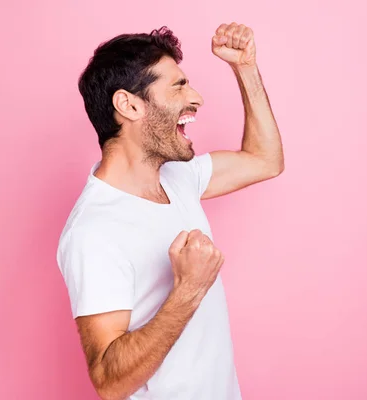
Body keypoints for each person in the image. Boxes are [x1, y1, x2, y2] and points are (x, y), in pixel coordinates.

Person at [56, 22, 284, 400]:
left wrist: (246, 69)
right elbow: (110, 383)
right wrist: (189, 289)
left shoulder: (179, 178)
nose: (196, 97)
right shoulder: (93, 230)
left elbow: (265, 160)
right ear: (128, 105)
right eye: (178, 85)